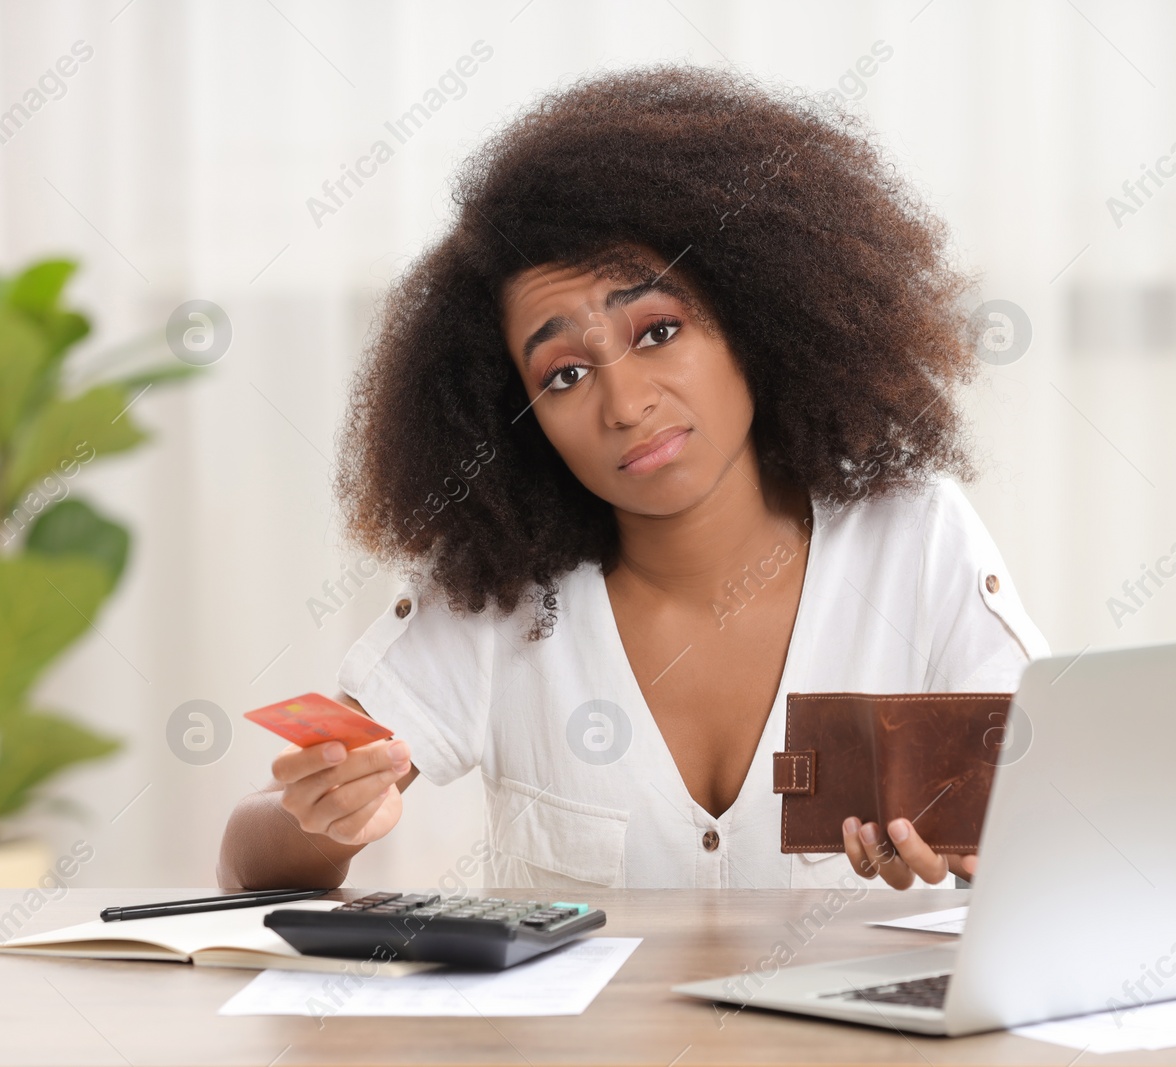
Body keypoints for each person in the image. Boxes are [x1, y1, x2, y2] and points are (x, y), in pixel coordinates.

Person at [217, 64, 1048, 894]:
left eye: (657, 330)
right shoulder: (500, 595)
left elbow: (1061, 819)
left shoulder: (915, 536)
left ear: (754, 317)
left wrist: (981, 852)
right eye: (565, 375)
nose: (625, 402)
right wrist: (321, 823)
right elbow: (246, 860)